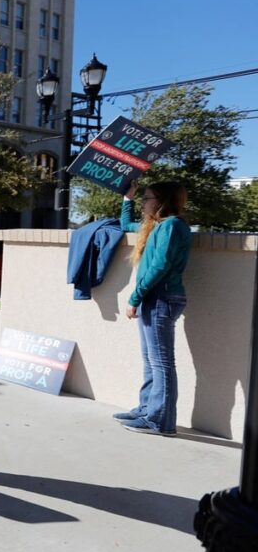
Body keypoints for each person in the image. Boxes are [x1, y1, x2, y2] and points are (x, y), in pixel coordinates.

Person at [114, 180, 191, 436]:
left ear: (162, 201)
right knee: (151, 360)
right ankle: (146, 409)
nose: (143, 203)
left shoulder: (171, 226)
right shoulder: (156, 226)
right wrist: (128, 199)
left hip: (161, 298)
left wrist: (135, 297)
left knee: (161, 363)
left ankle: (160, 421)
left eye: (146, 198)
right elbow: (125, 225)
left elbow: (160, 266)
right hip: (155, 299)